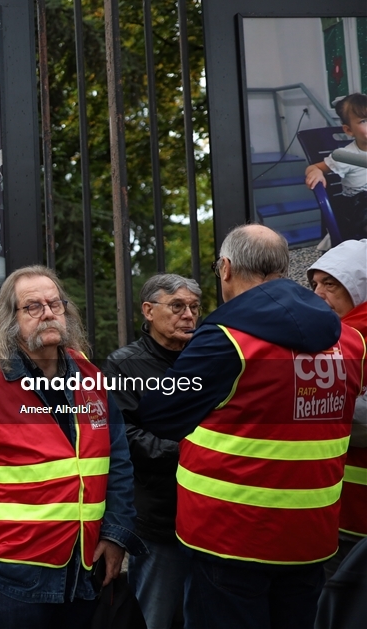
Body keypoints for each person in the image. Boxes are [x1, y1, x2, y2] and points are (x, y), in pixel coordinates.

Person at [137, 224, 366, 629]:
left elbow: (159, 414)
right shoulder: (350, 342)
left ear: (225, 268)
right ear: (284, 266)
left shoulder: (228, 339)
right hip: (311, 535)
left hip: (231, 535)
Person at [0, 265, 141, 629]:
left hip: (82, 567)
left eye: (55, 304)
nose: (47, 313)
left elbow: (117, 462)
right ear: (10, 319)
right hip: (11, 574)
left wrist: (115, 534)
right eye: (32, 306)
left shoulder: (92, 378)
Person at [103, 273, 202, 629]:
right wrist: (188, 453)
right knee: (154, 616)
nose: (188, 315)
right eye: (176, 306)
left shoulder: (209, 358)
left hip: (211, 514)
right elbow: (122, 435)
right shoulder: (123, 365)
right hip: (160, 515)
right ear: (148, 310)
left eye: (193, 307)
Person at [307, 238, 367, 577]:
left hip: (350, 519)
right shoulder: (333, 334)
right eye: (315, 284)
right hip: (338, 511)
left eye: (331, 284)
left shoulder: (350, 337)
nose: (318, 294)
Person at [305, 93, 367, 241]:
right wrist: (316, 172)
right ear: (348, 130)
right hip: (359, 207)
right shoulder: (347, 156)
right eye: (364, 121)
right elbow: (314, 167)